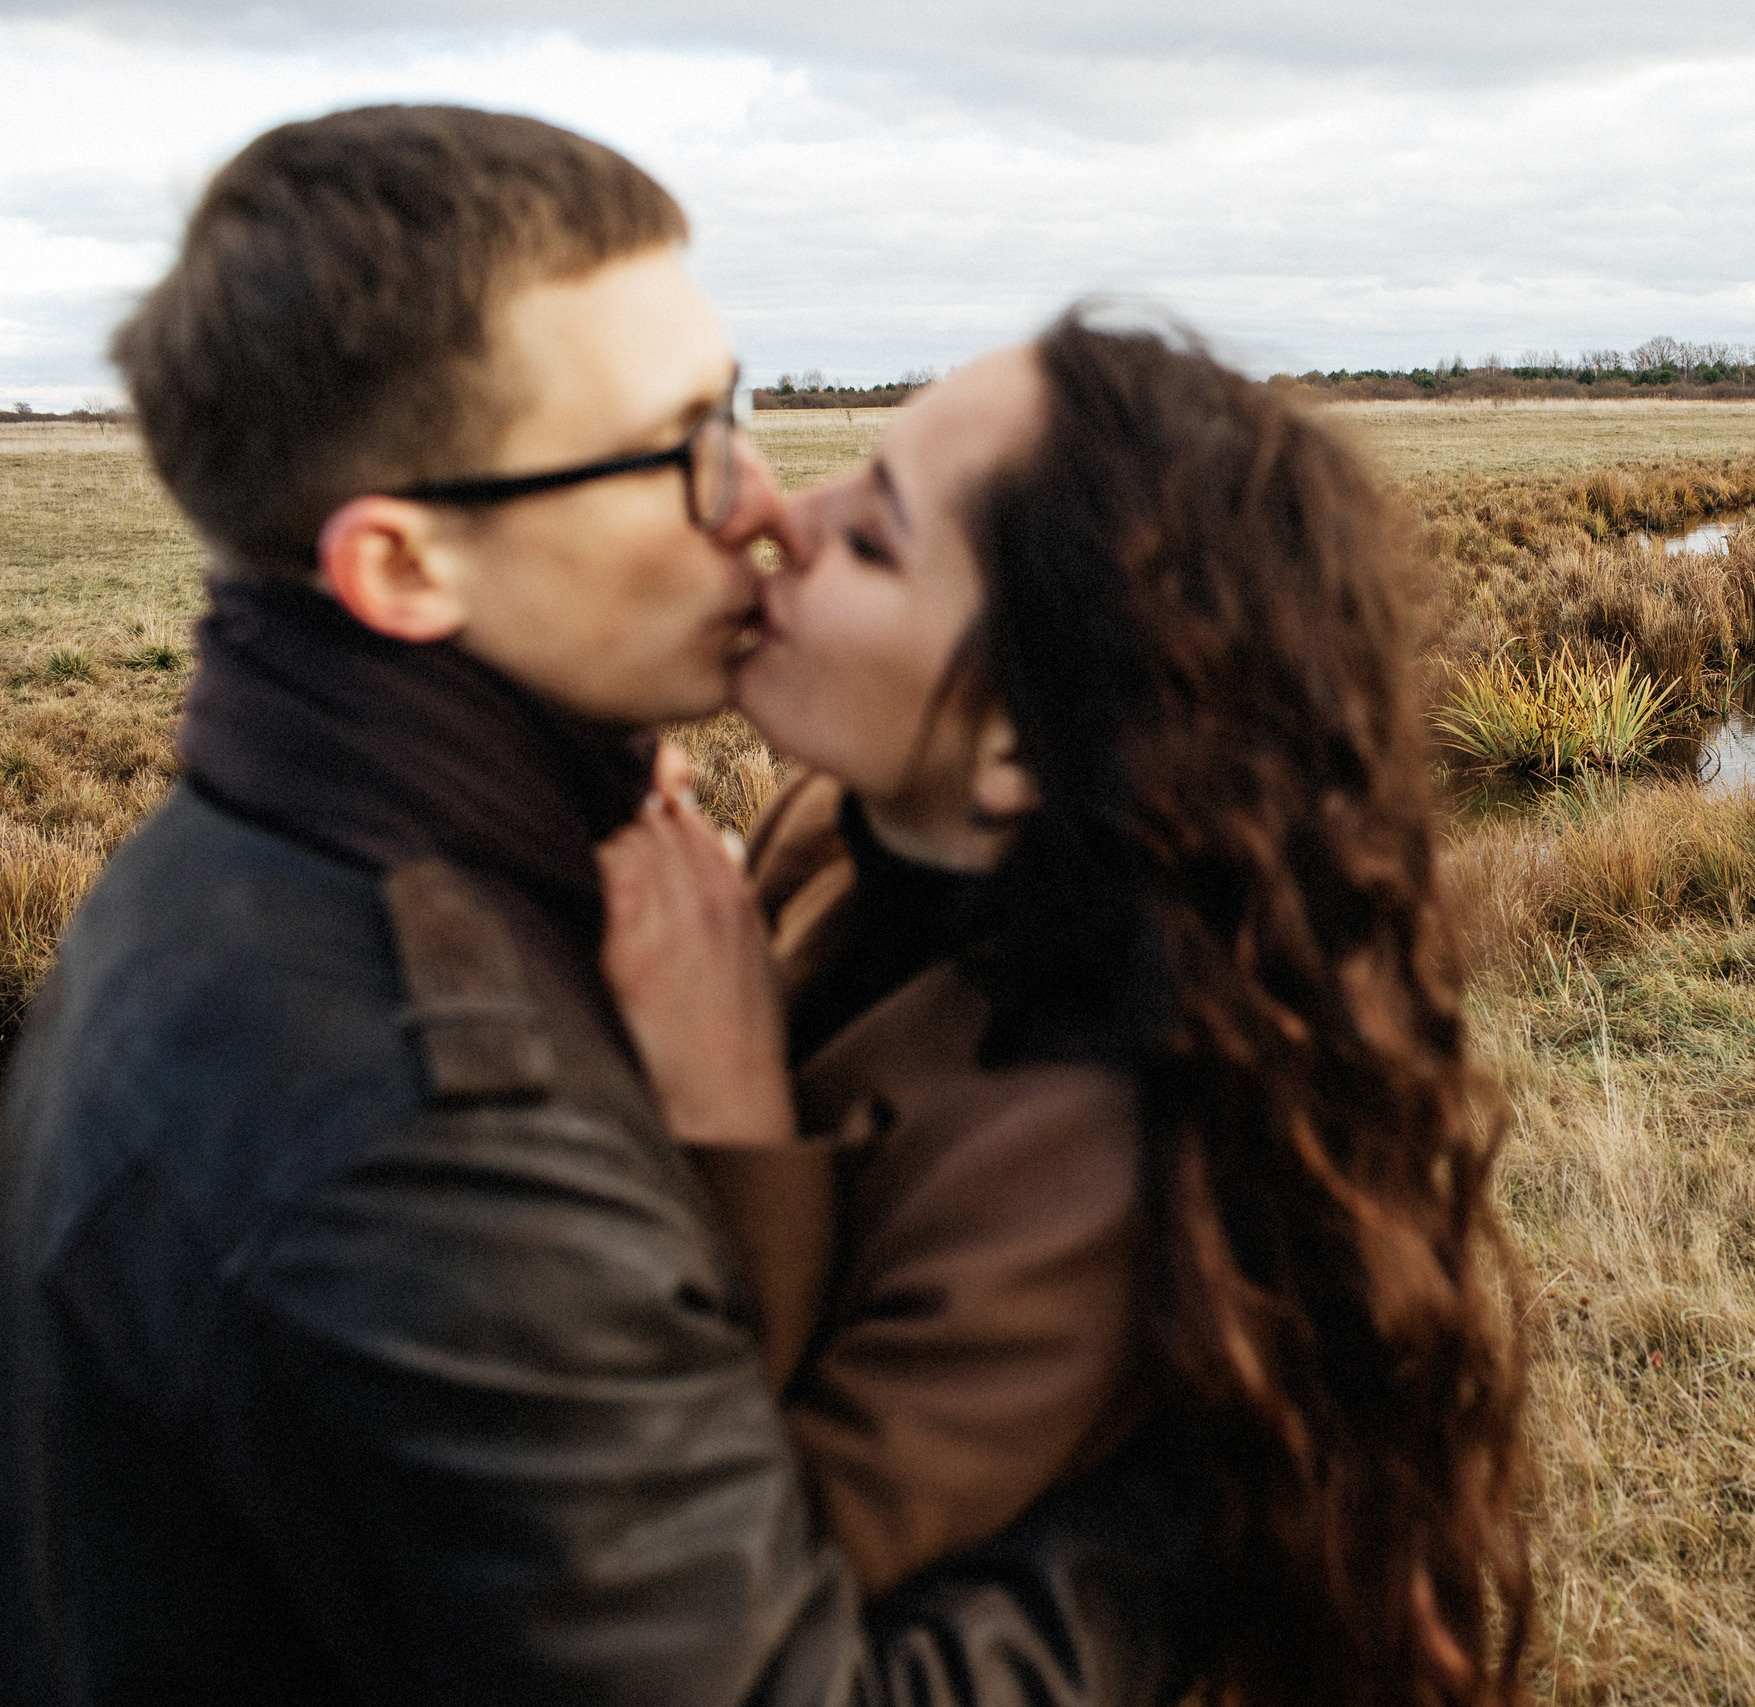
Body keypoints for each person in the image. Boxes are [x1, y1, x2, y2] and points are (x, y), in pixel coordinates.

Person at [0, 107, 1194, 1707]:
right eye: (680, 449)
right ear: (405, 570)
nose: (764, 506)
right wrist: (1198, 1531)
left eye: (742, 409)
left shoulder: (255, 857)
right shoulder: (422, 1129)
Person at [595, 313, 1535, 1707]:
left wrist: (726, 1102)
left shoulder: (1089, 1160)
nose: (786, 520)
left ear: (1021, 750)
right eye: (851, 474)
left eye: (872, 542)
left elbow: (740, 1591)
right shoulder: (837, 828)